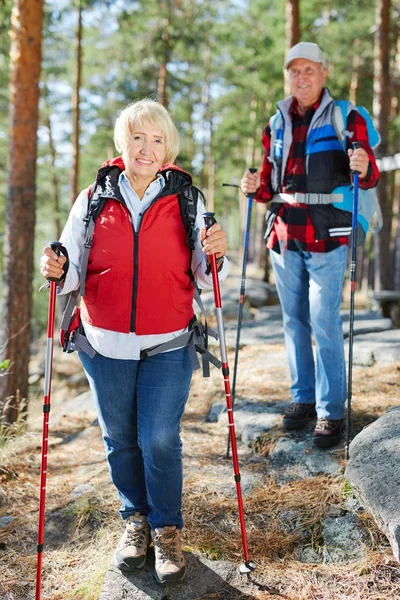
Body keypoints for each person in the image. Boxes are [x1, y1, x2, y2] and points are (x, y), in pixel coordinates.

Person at [40, 98, 228, 584]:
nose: (146, 148)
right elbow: (71, 269)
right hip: (103, 345)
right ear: (122, 143)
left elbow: (206, 278)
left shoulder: (187, 198)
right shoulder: (93, 198)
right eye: (137, 138)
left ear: (168, 148)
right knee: (119, 440)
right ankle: (135, 521)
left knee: (159, 438)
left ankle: (167, 528)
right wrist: (56, 268)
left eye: (157, 139)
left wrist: (217, 254)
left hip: (168, 342)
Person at [241, 42, 379, 449]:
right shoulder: (276, 122)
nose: (301, 78)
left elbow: (368, 177)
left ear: (323, 72)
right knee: (294, 320)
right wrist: (254, 186)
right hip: (285, 233)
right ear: (288, 76)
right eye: (294, 71)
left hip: (328, 234)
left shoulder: (346, 117)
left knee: (323, 320)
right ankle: (302, 399)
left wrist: (365, 166)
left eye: (309, 70)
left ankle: (330, 410)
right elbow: (268, 186)